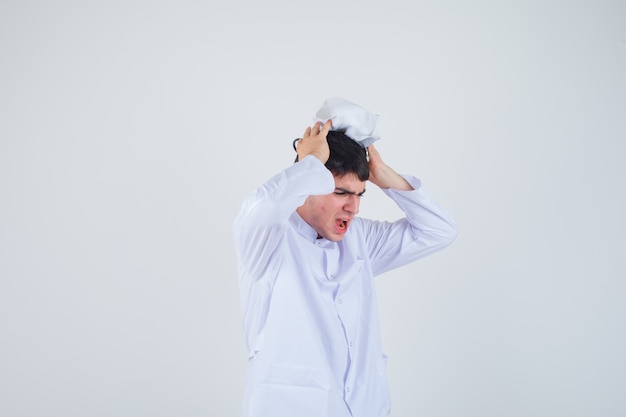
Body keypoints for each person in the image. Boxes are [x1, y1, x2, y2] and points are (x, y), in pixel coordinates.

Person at [233, 99, 458, 417]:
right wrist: (309, 161)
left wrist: (386, 178)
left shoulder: (360, 239)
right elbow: (264, 206)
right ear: (307, 184)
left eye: (359, 195)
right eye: (340, 193)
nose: (353, 208)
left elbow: (439, 232)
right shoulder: (267, 238)